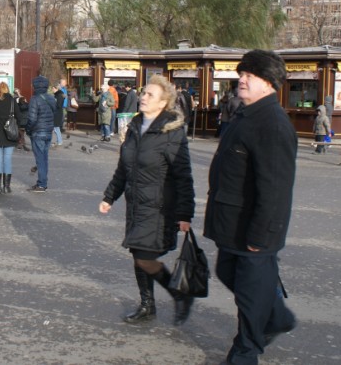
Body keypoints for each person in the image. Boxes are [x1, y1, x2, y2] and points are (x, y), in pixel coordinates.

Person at [204, 50, 297, 365]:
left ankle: (245, 352)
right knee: (228, 273)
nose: (241, 79)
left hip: (253, 229)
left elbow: (276, 189)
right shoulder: (246, 114)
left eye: (250, 75)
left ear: (269, 83)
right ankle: (276, 315)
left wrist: (263, 235)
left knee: (250, 293)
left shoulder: (272, 122)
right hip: (232, 222)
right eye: (241, 73)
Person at [99, 74, 195, 326]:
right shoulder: (134, 126)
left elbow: (183, 175)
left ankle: (176, 294)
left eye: (150, 94)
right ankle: (148, 304)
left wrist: (185, 214)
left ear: (164, 102)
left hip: (159, 207)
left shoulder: (171, 132)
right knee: (138, 254)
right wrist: (110, 196)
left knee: (142, 255)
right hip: (136, 203)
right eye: (143, 93)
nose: (143, 97)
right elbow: (124, 168)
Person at [25, 75, 56, 192]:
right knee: (44, 158)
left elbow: (32, 119)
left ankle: (42, 184)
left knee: (40, 159)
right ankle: (43, 182)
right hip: (48, 131)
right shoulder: (51, 98)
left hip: (38, 132)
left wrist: (28, 129)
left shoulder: (35, 99)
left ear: (36, 86)